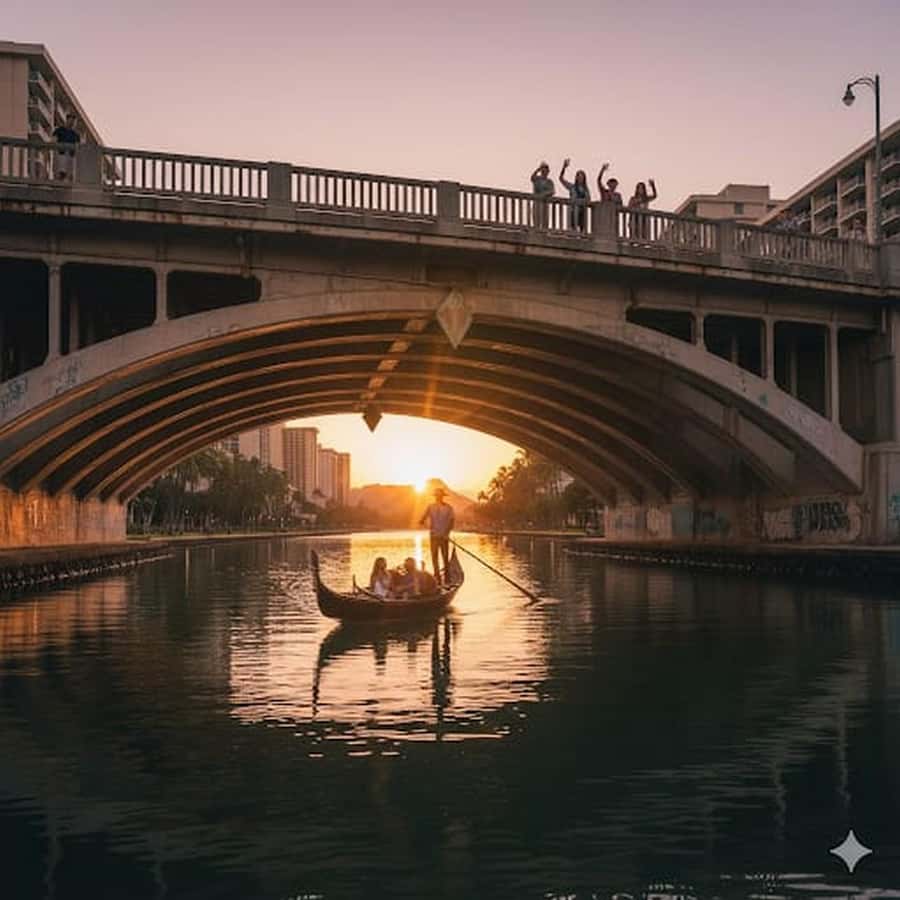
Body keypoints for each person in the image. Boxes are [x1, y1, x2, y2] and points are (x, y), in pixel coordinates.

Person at [419, 486, 455, 584]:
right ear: (435, 497)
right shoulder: (430, 507)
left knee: (445, 557)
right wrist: (429, 527)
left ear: (442, 496)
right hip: (434, 536)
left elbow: (452, 522)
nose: (438, 497)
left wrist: (446, 533)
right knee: (434, 558)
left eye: (440, 496)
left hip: (444, 537)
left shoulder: (448, 508)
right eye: (437, 496)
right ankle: (437, 579)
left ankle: (447, 579)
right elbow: (422, 520)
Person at [559, 159, 591, 232]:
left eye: (582, 177)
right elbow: (561, 179)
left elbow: (588, 199)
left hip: (582, 210)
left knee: (582, 227)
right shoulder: (572, 187)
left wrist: (582, 201)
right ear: (576, 178)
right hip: (573, 210)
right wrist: (564, 168)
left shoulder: (586, 189)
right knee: (573, 226)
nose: (580, 178)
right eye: (579, 177)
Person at [52, 113, 81, 182]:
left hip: (71, 157)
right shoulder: (59, 130)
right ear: (67, 120)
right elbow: (53, 141)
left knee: (70, 176)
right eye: (71, 120)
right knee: (60, 174)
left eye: (73, 122)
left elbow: (78, 147)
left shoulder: (76, 135)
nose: (72, 123)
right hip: (61, 154)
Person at [530, 161, 555, 230]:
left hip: (545, 203)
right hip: (537, 203)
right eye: (543, 170)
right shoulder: (537, 179)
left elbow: (552, 191)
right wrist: (538, 169)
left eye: (546, 170)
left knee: (545, 221)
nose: (544, 171)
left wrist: (544, 194)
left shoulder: (550, 181)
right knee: (536, 220)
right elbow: (532, 177)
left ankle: (544, 232)